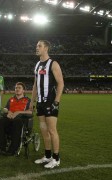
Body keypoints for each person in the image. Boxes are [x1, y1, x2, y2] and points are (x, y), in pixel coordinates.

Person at [32, 40, 64, 169]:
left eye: (39, 46)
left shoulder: (53, 64)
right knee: (44, 130)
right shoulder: (38, 64)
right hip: (40, 102)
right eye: (37, 46)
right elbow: (35, 85)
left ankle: (56, 158)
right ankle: (47, 156)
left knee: (52, 130)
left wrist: (56, 101)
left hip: (50, 102)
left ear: (46, 48)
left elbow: (61, 83)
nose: (37, 47)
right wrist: (32, 101)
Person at [0, 82, 32, 156]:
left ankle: (12, 149)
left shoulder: (28, 100)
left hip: (20, 119)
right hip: (9, 117)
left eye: (19, 88)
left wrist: (18, 112)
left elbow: (30, 112)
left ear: (23, 90)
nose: (17, 89)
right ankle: (1, 148)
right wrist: (8, 112)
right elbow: (5, 108)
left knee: (17, 122)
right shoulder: (11, 99)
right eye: (16, 88)